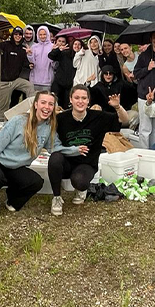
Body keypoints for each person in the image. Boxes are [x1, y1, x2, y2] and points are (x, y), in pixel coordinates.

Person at [0, 92, 83, 216]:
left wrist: (75, 150)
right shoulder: (18, 121)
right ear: (35, 105)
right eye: (43, 102)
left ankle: (11, 200)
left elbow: (55, 147)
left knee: (36, 182)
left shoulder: (49, 127)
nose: (47, 107)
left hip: (16, 168)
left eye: (51, 104)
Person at [50, 85, 128, 215]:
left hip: (86, 163)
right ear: (70, 100)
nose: (80, 101)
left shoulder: (98, 117)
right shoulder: (61, 119)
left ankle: (81, 190)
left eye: (84, 98)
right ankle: (56, 198)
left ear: (88, 101)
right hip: (67, 162)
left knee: (79, 181)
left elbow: (125, 121)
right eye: (77, 98)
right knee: (54, 158)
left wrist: (117, 107)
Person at [0, 27, 34, 120]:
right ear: (13, 35)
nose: (18, 36)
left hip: (15, 80)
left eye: (20, 34)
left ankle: (32, 109)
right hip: (2, 82)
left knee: (29, 86)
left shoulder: (22, 49)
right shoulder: (4, 45)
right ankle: (2, 124)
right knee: (3, 108)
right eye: (16, 34)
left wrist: (30, 61)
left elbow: (26, 64)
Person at [48, 34, 75, 100]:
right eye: (59, 41)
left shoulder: (69, 52)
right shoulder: (57, 51)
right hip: (58, 81)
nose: (61, 43)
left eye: (63, 42)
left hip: (69, 82)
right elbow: (51, 56)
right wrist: (57, 50)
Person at [29, 26, 55, 93]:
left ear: (48, 34)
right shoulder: (34, 47)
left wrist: (54, 53)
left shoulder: (52, 46)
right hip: (34, 80)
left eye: (44, 34)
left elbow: (54, 65)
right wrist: (30, 55)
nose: (42, 36)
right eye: (40, 34)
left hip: (47, 81)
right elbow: (32, 63)